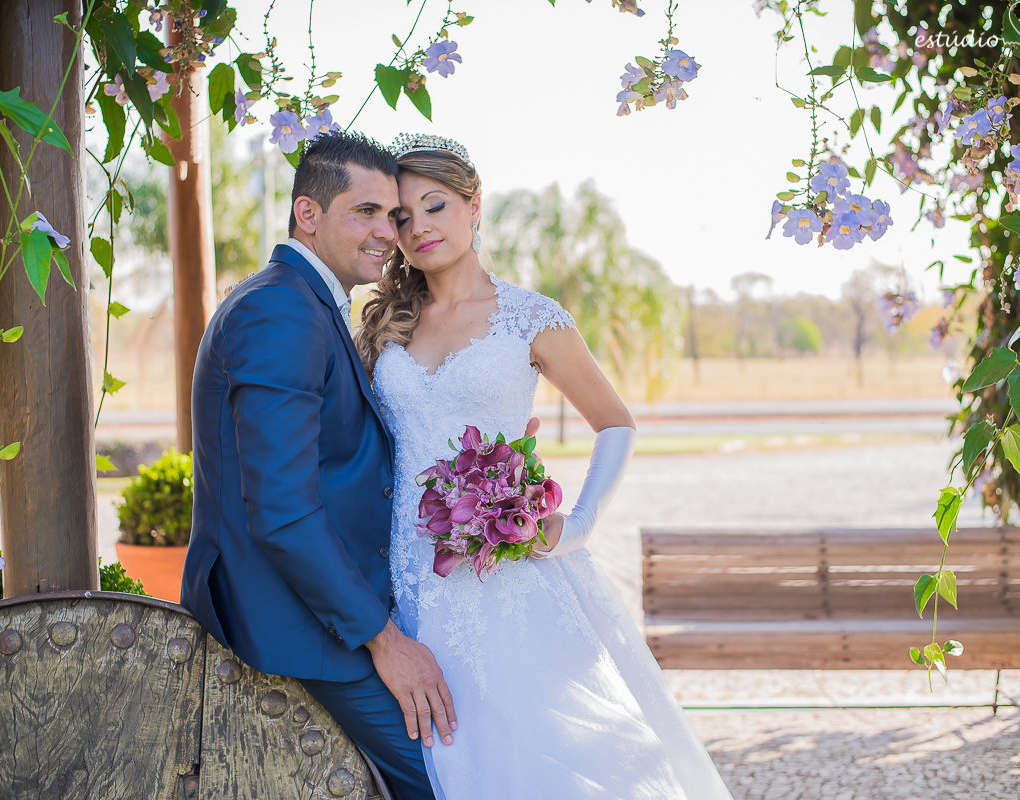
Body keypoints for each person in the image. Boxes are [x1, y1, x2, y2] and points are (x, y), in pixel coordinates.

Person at [356, 133, 732, 799]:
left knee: (538, 757)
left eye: (436, 206)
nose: (420, 228)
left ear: (475, 206)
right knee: (442, 760)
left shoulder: (530, 318)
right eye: (402, 218)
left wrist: (578, 523)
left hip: (506, 576)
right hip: (406, 576)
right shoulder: (387, 323)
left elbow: (615, 422)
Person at [181, 132, 455, 800]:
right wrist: (384, 641)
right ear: (308, 214)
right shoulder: (280, 311)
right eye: (365, 212)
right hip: (295, 619)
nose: (387, 233)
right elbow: (282, 510)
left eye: (391, 216)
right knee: (447, 773)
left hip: (332, 600)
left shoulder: (304, 301)